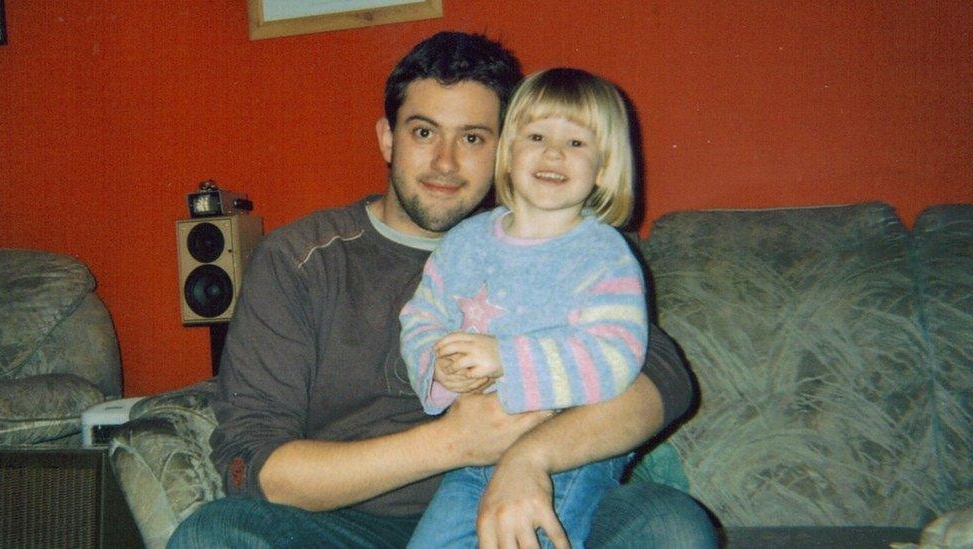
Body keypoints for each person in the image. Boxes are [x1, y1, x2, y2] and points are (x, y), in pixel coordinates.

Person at [169, 31, 717, 548]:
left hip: (526, 497)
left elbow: (656, 378)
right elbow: (257, 468)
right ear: (388, 138)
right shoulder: (300, 260)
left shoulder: (557, 245)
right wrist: (456, 442)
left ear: (504, 147)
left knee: (670, 526)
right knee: (213, 535)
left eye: (473, 138)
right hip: (347, 527)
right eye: (424, 132)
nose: (445, 163)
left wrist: (530, 459)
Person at [401, 67, 649, 548]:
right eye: (536, 136)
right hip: (476, 451)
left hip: (572, 452)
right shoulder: (464, 242)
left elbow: (616, 354)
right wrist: (437, 366)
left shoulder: (604, 254)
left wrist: (505, 358)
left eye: (576, 143)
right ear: (509, 153)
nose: (553, 153)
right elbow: (420, 316)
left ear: (603, 166)